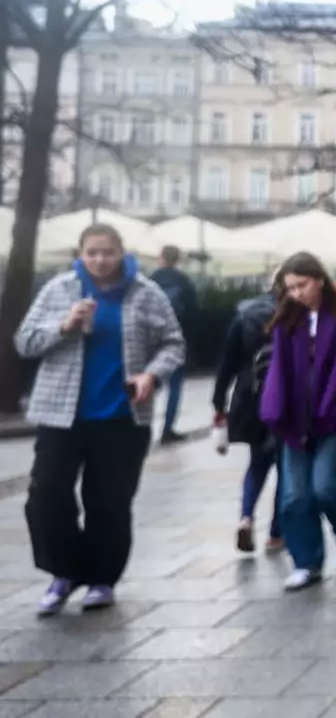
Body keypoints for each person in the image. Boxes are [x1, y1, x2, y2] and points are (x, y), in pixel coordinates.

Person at [15, 223, 185, 616]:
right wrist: (63, 326)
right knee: (45, 496)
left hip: (122, 417)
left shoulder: (146, 292)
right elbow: (24, 341)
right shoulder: (59, 289)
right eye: (91, 252)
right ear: (80, 253)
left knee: (108, 501)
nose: (99, 260)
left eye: (107, 252)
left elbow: (174, 343)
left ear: (121, 252)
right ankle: (64, 571)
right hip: (61, 415)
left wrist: (151, 375)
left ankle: (102, 579)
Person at [260, 252, 336, 592]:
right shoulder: (287, 320)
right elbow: (279, 368)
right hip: (294, 421)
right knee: (294, 496)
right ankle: (306, 562)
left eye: (301, 285)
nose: (296, 293)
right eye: (290, 288)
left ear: (319, 279)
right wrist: (274, 409)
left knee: (327, 487)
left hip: (331, 418)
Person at [212, 277, 283, 554]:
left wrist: (219, 402)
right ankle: (276, 533)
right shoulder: (295, 314)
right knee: (285, 467)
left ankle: (246, 517)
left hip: (249, 393)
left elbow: (227, 362)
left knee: (257, 462)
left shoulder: (246, 314)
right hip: (284, 394)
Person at [150, 245, 199, 445]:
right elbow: (194, 312)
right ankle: (167, 429)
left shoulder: (150, 280)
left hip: (151, 342)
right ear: (177, 259)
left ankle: (141, 425)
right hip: (177, 339)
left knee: (151, 383)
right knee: (175, 386)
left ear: (161, 257)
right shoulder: (183, 281)